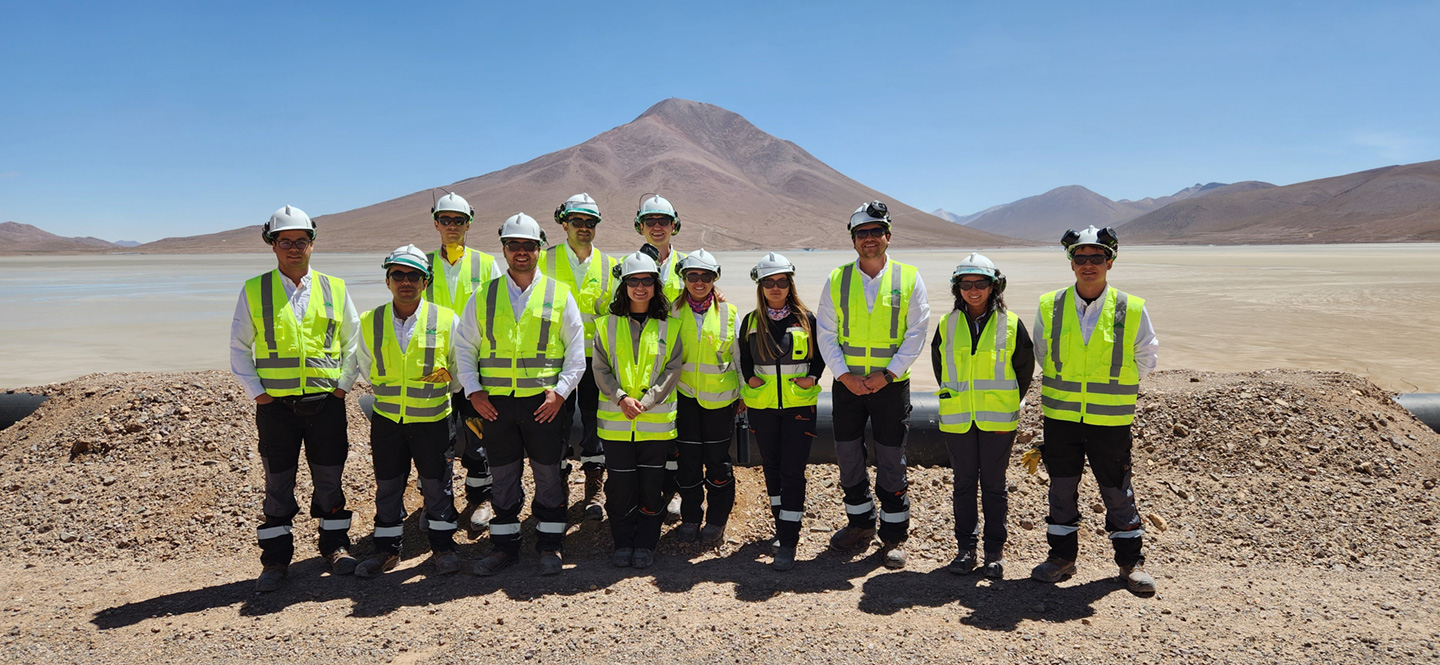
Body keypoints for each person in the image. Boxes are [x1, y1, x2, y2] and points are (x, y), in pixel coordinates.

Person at [229, 205, 361, 592]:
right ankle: (275, 561)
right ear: (272, 245)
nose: (293, 248)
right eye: (284, 241)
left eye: (300, 241)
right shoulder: (255, 289)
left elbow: (353, 342)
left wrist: (342, 386)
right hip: (277, 410)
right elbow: (239, 347)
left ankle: (335, 547)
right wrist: (260, 394)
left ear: (312, 243)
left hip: (326, 405)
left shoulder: (335, 288)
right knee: (278, 483)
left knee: (330, 480)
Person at [454, 214, 586, 577]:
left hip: (544, 405)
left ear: (540, 249)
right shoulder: (484, 295)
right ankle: (504, 547)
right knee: (504, 476)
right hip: (496, 405)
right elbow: (464, 347)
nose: (522, 252)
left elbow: (576, 352)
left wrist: (560, 395)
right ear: (504, 249)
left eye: (529, 246)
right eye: (515, 245)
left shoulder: (559, 295)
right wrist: (474, 391)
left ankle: (550, 546)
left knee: (547, 475)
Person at [1030, 225, 1159, 595]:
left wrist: (1116, 386)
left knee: (1117, 489)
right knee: (1061, 489)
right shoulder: (1049, 305)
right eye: (1080, 257)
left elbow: (1147, 355)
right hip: (1062, 417)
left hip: (1110, 420)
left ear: (1110, 261)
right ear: (1070, 262)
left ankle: (1130, 564)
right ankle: (1061, 558)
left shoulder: (1130, 307)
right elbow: (1042, 353)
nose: (1088, 265)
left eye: (1097, 257)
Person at [816, 201, 930, 569]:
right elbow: (826, 331)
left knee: (891, 459)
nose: (869, 239)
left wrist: (889, 374)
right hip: (847, 386)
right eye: (862, 234)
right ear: (853, 241)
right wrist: (843, 374)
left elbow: (917, 332)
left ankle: (894, 536)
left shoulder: (909, 278)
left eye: (876, 232)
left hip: (890, 387)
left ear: (888, 237)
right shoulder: (837, 279)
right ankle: (860, 525)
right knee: (849, 457)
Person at [353, 245, 463, 577]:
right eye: (398, 275)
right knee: (388, 486)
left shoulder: (446, 319)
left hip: (432, 421)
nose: (406, 282)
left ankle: (443, 549)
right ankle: (387, 551)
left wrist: (431, 385)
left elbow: (457, 372)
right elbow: (365, 366)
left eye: (414, 275)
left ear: (425, 282)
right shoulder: (369, 321)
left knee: (437, 486)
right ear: (387, 280)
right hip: (388, 420)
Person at [931, 253, 1033, 579]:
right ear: (957, 288)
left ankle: (993, 553)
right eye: (966, 284)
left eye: (980, 284)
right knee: (963, 485)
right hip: (958, 419)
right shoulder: (946, 325)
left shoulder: (1012, 324)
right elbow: (939, 368)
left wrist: (1004, 401)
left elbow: (1024, 370)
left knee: (993, 485)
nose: (973, 290)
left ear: (994, 286)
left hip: (998, 421)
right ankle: (965, 550)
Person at [592, 251, 683, 569]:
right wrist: (621, 398)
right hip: (617, 424)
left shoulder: (670, 327)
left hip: (655, 425)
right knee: (619, 488)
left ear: (656, 286)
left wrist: (648, 401)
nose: (640, 287)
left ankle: (645, 544)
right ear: (624, 286)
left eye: (647, 281)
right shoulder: (605, 326)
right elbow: (600, 370)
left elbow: (672, 370)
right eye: (634, 281)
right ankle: (622, 543)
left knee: (651, 488)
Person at [738, 253, 824, 571]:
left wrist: (812, 377)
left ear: (790, 284)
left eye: (781, 282)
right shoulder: (750, 321)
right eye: (769, 282)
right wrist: (748, 378)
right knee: (772, 469)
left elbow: (821, 355)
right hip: (763, 407)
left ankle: (789, 542)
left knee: (792, 472)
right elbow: (744, 358)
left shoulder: (806, 319)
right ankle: (780, 526)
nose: (776, 288)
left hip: (798, 407)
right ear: (760, 286)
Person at [426, 192, 504, 532]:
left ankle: (481, 498)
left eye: (459, 221)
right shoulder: (422, 265)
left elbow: (500, 313)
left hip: (475, 365)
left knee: (477, 432)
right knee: (433, 435)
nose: (452, 226)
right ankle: (436, 503)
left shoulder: (486, 265)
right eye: (446, 220)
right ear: (436, 224)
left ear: (469, 224)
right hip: (433, 367)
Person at [540, 193, 620, 520]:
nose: (584, 228)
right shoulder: (544, 261)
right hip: (554, 360)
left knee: (594, 423)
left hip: (594, 360)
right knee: (554, 423)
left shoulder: (610, 266)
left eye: (590, 223)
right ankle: (556, 489)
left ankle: (594, 491)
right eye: (577, 222)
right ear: (564, 224)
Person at [670, 249, 740, 545]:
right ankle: (690, 517)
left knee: (718, 464)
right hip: (684, 399)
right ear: (683, 278)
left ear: (715, 279)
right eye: (693, 276)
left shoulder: (729, 312)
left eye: (706, 276)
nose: (699, 282)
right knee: (687, 462)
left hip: (720, 402)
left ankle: (716, 520)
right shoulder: (670, 312)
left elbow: (738, 357)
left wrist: (744, 396)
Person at [633, 194, 689, 302]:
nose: (657, 227)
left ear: (673, 226)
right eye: (650, 222)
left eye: (663, 221)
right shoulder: (626, 265)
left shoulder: (688, 264)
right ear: (641, 227)